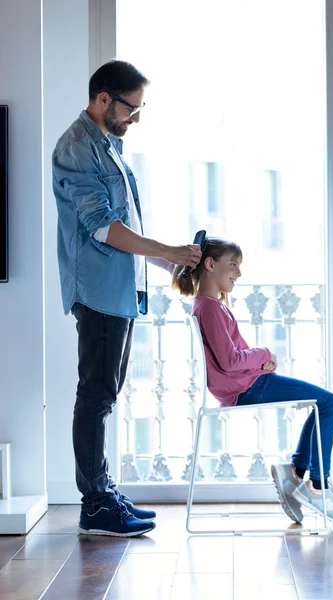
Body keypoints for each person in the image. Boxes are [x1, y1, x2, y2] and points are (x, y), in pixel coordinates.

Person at [52, 60, 202, 537]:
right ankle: (95, 503)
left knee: (104, 395)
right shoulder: (77, 148)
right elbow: (102, 227)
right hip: (96, 290)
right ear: (103, 99)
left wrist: (166, 262)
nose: (135, 118)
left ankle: (101, 492)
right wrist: (168, 251)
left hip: (117, 289)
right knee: (94, 396)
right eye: (131, 108)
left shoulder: (107, 146)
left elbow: (124, 227)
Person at [171, 237, 333, 524]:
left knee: (322, 404)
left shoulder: (208, 305)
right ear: (209, 264)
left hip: (248, 383)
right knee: (329, 403)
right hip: (247, 389)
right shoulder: (209, 307)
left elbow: (231, 357)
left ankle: (295, 473)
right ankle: (316, 485)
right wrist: (264, 353)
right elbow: (230, 361)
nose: (239, 273)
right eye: (233, 265)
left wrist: (259, 362)